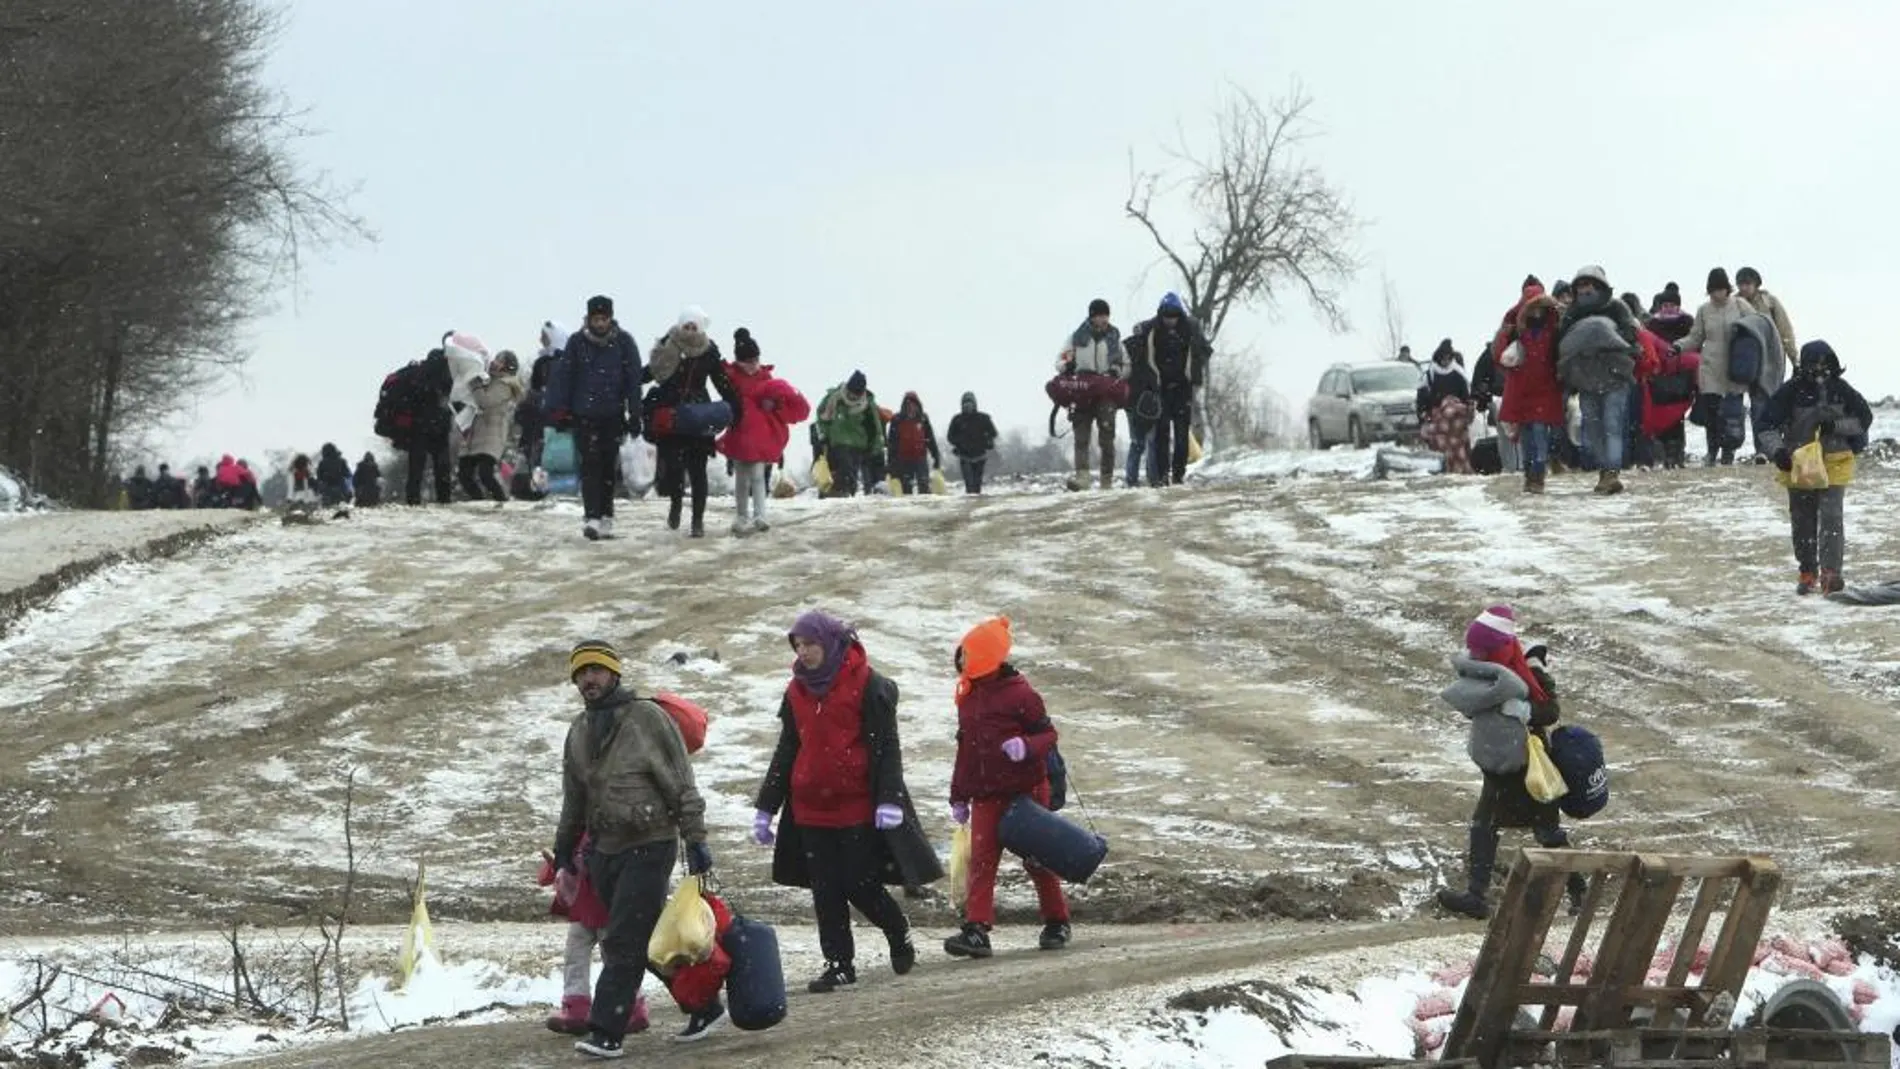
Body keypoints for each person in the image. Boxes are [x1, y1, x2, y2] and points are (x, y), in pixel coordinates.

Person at [751, 611, 940, 994]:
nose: (804, 653)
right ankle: (839, 963)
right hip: (809, 808)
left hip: (856, 805)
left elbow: (887, 746)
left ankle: (896, 929)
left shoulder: (869, 685)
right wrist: (766, 806)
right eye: (798, 645)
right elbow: (788, 747)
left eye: (811, 644)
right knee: (825, 889)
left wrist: (889, 799)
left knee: (860, 883)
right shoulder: (796, 691)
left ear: (831, 643)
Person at [552, 639, 711, 1060]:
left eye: (596, 671)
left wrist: (696, 839)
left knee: (621, 940)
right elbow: (575, 797)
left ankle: (607, 1030)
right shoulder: (579, 731)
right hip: (603, 852)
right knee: (647, 941)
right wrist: (565, 845)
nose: (589, 679)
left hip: (650, 843)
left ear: (614, 674)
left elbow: (681, 783)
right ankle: (705, 1004)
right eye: (581, 673)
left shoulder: (647, 718)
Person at [1435, 606, 1586, 921]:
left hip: (1531, 767)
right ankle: (1476, 896)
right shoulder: (1486, 676)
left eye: (1484, 650)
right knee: (1483, 825)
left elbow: (1551, 711)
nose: (1478, 655)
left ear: (1498, 648)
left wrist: (1526, 712)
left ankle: (1579, 892)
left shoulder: (1528, 672)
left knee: (1548, 834)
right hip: (1499, 764)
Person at [943, 616, 1072, 959]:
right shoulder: (967, 698)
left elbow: (1048, 735)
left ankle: (1057, 921)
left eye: (965, 657)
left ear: (984, 657)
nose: (961, 665)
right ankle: (977, 930)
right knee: (982, 862)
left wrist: (1025, 747)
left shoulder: (1022, 695)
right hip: (986, 795)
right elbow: (966, 749)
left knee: (1037, 860)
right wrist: (959, 795)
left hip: (1026, 791)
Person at [1757, 341, 1873, 596]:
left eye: (1825, 363)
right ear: (1804, 365)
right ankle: (1807, 570)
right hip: (1800, 463)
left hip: (1835, 462)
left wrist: (1837, 427)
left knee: (1832, 517)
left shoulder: (1842, 390)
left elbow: (1864, 420)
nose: (1820, 370)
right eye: (1815, 364)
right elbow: (1765, 426)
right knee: (1803, 520)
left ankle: (1831, 574)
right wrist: (1778, 452)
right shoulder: (1790, 392)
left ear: (1833, 363)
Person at [545, 296, 645, 541]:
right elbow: (564, 377)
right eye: (595, 319)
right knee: (590, 465)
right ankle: (592, 516)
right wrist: (559, 411)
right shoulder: (577, 343)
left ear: (611, 318)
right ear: (588, 318)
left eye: (604, 319)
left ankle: (607, 515)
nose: (600, 323)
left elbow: (633, 381)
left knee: (608, 467)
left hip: (612, 415)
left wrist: (635, 413)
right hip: (584, 415)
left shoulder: (624, 342)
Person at [537, 834, 651, 1039]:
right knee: (577, 955)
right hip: (584, 907)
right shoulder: (577, 833)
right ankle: (576, 1005)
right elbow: (558, 866)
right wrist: (558, 861)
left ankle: (630, 1005)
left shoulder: (605, 832)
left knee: (614, 958)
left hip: (605, 908)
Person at [644, 307, 739, 538]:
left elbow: (720, 380)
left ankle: (698, 520)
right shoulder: (668, 344)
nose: (689, 330)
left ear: (700, 328)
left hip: (698, 416)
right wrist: (628, 382)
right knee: (674, 469)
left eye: (693, 326)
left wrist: (735, 406)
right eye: (686, 325)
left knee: (698, 471)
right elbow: (653, 371)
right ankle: (676, 504)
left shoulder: (709, 350)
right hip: (672, 414)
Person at [1555, 265, 1641, 495]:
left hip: (1615, 375)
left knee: (1612, 425)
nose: (1586, 290)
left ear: (1599, 285)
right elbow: (1561, 344)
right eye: (1581, 286)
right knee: (1592, 429)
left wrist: (1605, 341)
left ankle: (1611, 472)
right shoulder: (1572, 313)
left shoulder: (1617, 307)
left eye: (1589, 284)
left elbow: (1631, 335)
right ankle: (1604, 470)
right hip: (1585, 379)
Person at [716, 327, 809, 536]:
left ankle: (760, 515)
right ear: (739, 361)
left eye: (755, 360)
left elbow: (779, 400)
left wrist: (773, 405)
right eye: (747, 361)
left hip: (760, 436)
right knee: (741, 478)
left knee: (758, 475)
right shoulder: (730, 377)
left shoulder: (766, 377)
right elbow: (726, 399)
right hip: (740, 433)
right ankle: (741, 516)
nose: (752, 366)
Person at [1122, 292, 1211, 486]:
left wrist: (1196, 371)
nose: (1170, 320)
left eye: (1174, 316)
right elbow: (1136, 338)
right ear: (1161, 314)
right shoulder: (1152, 328)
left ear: (1180, 315)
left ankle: (1178, 474)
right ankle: (1162, 475)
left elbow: (1205, 351)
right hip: (1160, 389)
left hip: (1182, 388)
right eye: (1167, 316)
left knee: (1181, 434)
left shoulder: (1191, 328)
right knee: (1161, 434)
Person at [1674, 268, 1757, 466]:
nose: (1717, 294)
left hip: (1735, 365)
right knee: (1711, 414)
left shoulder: (1740, 305)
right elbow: (1696, 337)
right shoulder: (1704, 310)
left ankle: (1728, 453)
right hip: (1710, 366)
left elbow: (1757, 326)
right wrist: (1678, 346)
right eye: (1713, 290)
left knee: (1732, 415)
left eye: (1720, 289)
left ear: (1727, 289)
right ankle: (1712, 452)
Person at [1059, 298, 1127, 491]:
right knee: (1081, 437)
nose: (1104, 319)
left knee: (1107, 438)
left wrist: (1117, 372)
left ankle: (1106, 480)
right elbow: (1060, 361)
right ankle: (1082, 477)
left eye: (1106, 315)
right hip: (1081, 391)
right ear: (1092, 317)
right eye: (1099, 315)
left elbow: (1126, 364)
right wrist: (1067, 365)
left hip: (1106, 393)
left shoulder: (1114, 339)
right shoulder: (1076, 338)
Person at [458, 351, 525, 503]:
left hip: (492, 435)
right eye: (495, 358)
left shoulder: (505, 385)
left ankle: (501, 500)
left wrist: (475, 384)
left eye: (499, 361)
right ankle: (479, 501)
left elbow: (485, 401)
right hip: (476, 433)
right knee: (464, 474)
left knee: (485, 473)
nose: (495, 362)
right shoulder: (488, 380)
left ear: (507, 366)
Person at [813, 371, 883, 498]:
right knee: (836, 472)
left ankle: (845, 494)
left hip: (857, 445)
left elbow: (875, 428)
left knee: (850, 475)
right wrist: (824, 435)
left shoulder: (867, 405)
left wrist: (874, 448)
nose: (852, 397)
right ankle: (833, 494)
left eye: (856, 394)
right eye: (851, 393)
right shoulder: (834, 398)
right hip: (835, 443)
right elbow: (822, 417)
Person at [1417, 340, 1474, 474]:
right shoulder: (1430, 376)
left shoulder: (1458, 374)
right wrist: (1423, 414)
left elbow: (1465, 397)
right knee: (1441, 447)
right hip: (1438, 418)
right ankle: (1443, 469)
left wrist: (1465, 410)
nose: (1445, 361)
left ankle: (1460, 469)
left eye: (1448, 358)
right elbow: (1422, 398)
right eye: (1443, 358)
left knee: (1458, 446)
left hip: (1456, 421)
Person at [884, 392, 942, 494]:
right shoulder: (897, 420)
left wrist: (936, 456)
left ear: (917, 406)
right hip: (904, 459)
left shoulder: (923, 419)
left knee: (924, 485)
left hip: (920, 458)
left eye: (913, 405)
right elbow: (892, 444)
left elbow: (930, 439)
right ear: (904, 406)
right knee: (906, 488)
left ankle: (925, 506)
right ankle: (909, 509)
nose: (911, 408)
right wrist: (891, 464)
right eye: (908, 405)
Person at [1735, 267, 1796, 362]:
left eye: (1747, 284)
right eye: (1740, 284)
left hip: (1770, 355)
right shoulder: (1733, 304)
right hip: (1743, 355)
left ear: (1756, 285)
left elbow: (1785, 330)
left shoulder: (1769, 302)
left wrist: (1794, 358)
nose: (1744, 288)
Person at [946, 393, 999, 494]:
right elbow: (950, 437)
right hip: (964, 457)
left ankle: (977, 505)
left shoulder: (983, 418)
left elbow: (993, 433)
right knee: (969, 485)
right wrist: (960, 442)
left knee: (977, 484)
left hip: (980, 456)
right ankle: (970, 503)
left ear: (974, 404)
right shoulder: (957, 420)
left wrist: (985, 440)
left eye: (969, 403)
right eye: (965, 403)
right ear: (962, 405)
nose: (967, 406)